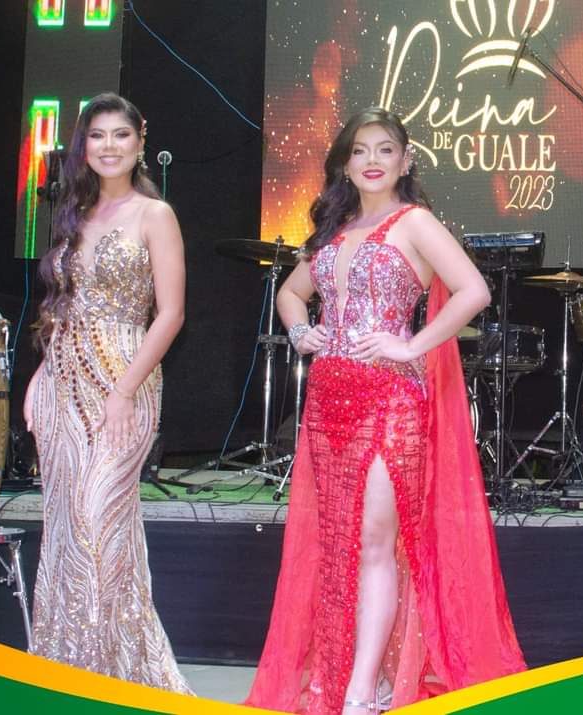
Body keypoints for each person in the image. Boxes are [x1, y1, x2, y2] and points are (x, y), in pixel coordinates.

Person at [246, 107, 525, 714]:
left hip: (390, 400)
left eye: (385, 149)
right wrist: (300, 331)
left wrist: (412, 345)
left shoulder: (415, 221)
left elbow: (474, 291)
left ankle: (359, 690)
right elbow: (291, 293)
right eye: (360, 150)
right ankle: (356, 676)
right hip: (327, 399)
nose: (372, 161)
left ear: (405, 159)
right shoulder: (334, 228)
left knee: (374, 541)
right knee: (337, 542)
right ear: (345, 164)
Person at [24, 93, 190, 692]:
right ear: (83, 145)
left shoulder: (155, 214)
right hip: (61, 385)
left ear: (141, 139)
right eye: (97, 135)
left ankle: (115, 677)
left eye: (121, 134)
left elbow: (170, 314)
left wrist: (124, 391)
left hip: (126, 378)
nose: (109, 146)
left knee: (98, 521)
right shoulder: (73, 214)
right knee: (67, 529)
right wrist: (40, 376)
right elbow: (62, 308)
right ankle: (67, 670)